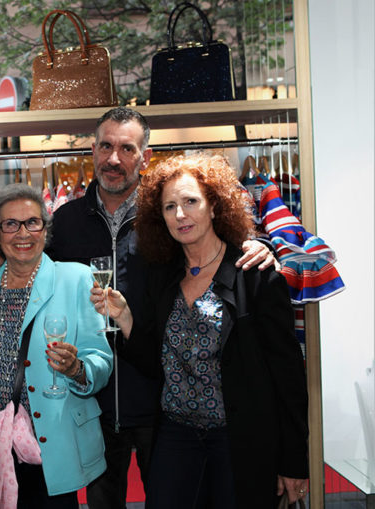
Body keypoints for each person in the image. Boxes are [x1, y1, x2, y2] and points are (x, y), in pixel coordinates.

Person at [47, 106, 276, 509]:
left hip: (161, 403)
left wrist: (262, 245)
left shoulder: (166, 216)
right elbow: (35, 270)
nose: (114, 158)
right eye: (105, 146)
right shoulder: (65, 221)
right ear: (93, 150)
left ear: (145, 157)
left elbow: (218, 243)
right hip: (92, 404)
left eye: (127, 148)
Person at [90, 152, 309, 508]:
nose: (180, 214)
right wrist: (125, 318)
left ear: (214, 207)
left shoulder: (254, 276)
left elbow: (288, 377)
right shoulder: (163, 276)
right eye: (169, 206)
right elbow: (156, 363)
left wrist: (294, 461)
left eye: (191, 201)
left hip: (238, 440)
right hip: (175, 437)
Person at [0, 184, 113, 508]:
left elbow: (101, 360)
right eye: (10, 224)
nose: (23, 233)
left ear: (45, 229)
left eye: (32, 222)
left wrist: (77, 369)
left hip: (51, 442)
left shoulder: (77, 279)